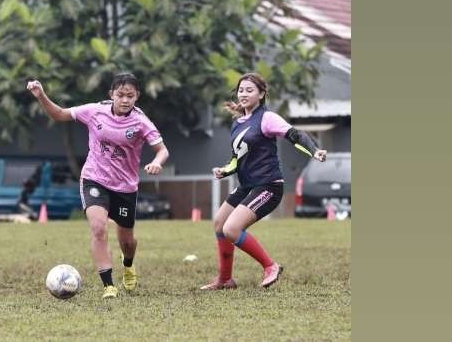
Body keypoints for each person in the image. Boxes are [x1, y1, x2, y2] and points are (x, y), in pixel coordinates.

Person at [27, 73, 169, 299]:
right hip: (95, 178)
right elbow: (60, 114)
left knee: (127, 241)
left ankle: (129, 265)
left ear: (137, 97)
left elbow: (162, 150)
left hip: (125, 187)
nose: (125, 100)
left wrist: (156, 162)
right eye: (120, 95)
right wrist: (41, 95)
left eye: (130, 96)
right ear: (111, 94)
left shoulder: (141, 122)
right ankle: (108, 285)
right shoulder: (95, 111)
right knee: (99, 228)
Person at [200, 73, 327, 290]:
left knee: (232, 228)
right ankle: (225, 279)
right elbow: (235, 160)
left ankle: (270, 266)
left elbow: (295, 134)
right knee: (220, 224)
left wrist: (313, 150)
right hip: (247, 185)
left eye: (250, 90)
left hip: (268, 185)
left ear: (261, 94)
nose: (244, 94)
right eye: (241, 90)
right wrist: (225, 170)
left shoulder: (267, 118)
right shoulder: (238, 123)